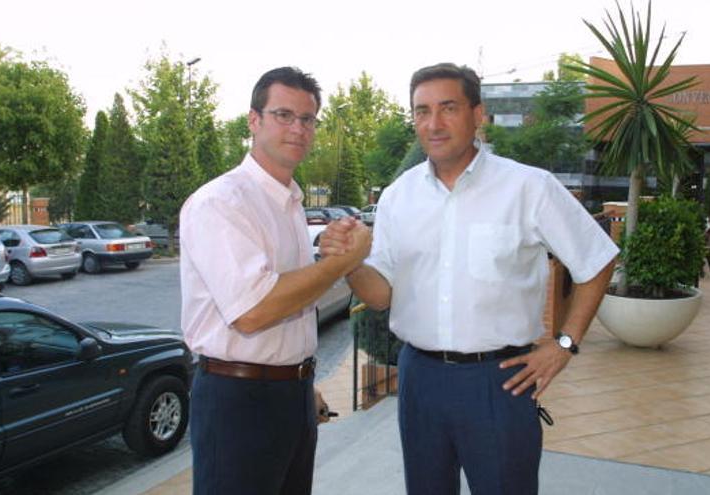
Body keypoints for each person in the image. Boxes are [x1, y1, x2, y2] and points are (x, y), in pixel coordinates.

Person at [321, 63, 618, 494]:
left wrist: (565, 345)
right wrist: (348, 263)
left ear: (478, 114)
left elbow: (596, 260)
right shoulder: (398, 196)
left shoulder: (528, 187)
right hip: (419, 377)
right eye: (422, 111)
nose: (434, 123)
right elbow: (380, 294)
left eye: (448, 108)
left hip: (499, 381)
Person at [180, 66, 371, 495]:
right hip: (238, 398)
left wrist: (302, 385)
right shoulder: (221, 202)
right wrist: (341, 264)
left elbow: (294, 300)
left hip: (291, 395)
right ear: (254, 120)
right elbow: (253, 311)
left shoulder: (289, 201)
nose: (298, 128)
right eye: (284, 114)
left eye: (308, 119)